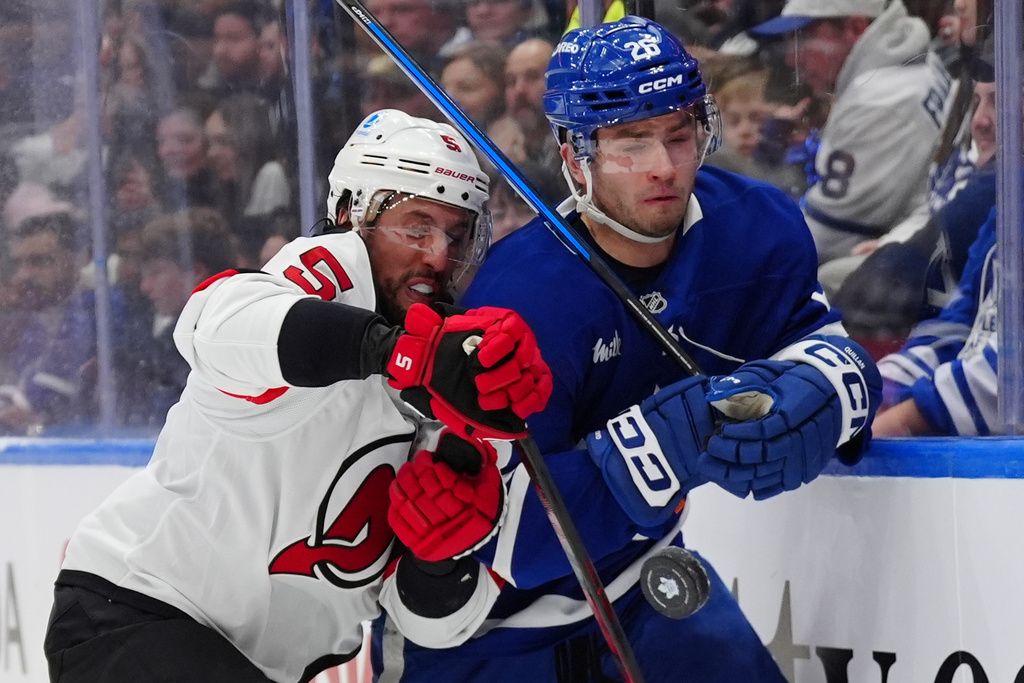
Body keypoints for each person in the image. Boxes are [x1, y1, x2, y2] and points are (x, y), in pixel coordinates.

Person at [371, 17, 881, 682]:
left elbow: (829, 352)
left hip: (648, 583)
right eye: (632, 144)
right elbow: (483, 537)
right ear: (575, 155)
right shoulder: (518, 301)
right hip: (489, 631)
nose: (666, 168)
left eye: (678, 135)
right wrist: (644, 458)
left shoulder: (756, 226)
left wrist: (827, 392)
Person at [43, 109, 552, 682]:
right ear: (349, 214)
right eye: (416, 226)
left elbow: (432, 627)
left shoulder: (448, 393)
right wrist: (398, 352)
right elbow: (213, 324)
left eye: (456, 235)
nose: (438, 254)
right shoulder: (332, 277)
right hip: (138, 610)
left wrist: (439, 558)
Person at [749, 0, 956, 269]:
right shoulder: (910, 67)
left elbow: (827, 237)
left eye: (804, 40)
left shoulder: (880, 98)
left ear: (855, 28)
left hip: (915, 264)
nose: (792, 59)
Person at [115, 208, 239, 430]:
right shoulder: (169, 336)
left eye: (156, 272)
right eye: (144, 275)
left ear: (197, 272)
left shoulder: (228, 336)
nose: (145, 286)